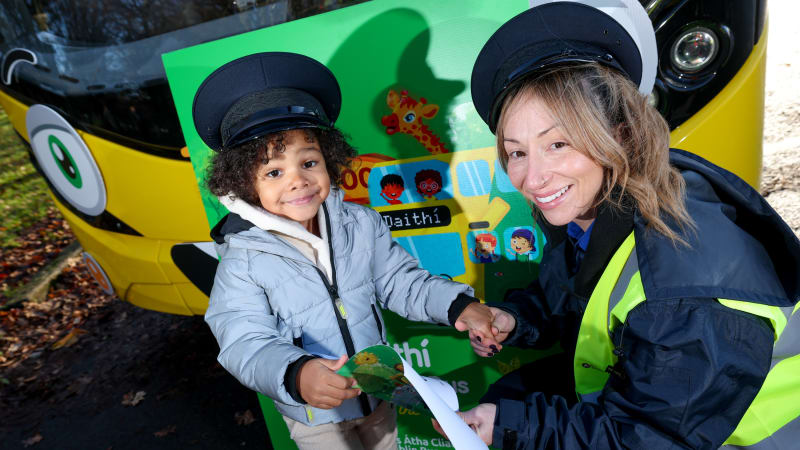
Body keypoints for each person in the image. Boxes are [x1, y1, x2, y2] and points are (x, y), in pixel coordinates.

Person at [445, 0, 800, 448]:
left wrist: (512, 427)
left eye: (558, 144)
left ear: (622, 135)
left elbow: (649, 437)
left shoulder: (684, 285)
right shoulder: (604, 209)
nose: (531, 179)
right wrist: (516, 320)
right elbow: (575, 297)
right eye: (517, 152)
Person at [191, 52, 488, 450]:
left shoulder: (361, 223)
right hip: (316, 416)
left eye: (309, 162)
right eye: (274, 172)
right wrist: (296, 374)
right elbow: (244, 341)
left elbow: (400, 282)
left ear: (328, 161)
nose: (298, 181)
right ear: (246, 184)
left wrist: (456, 306)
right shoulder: (242, 259)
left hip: (378, 392)